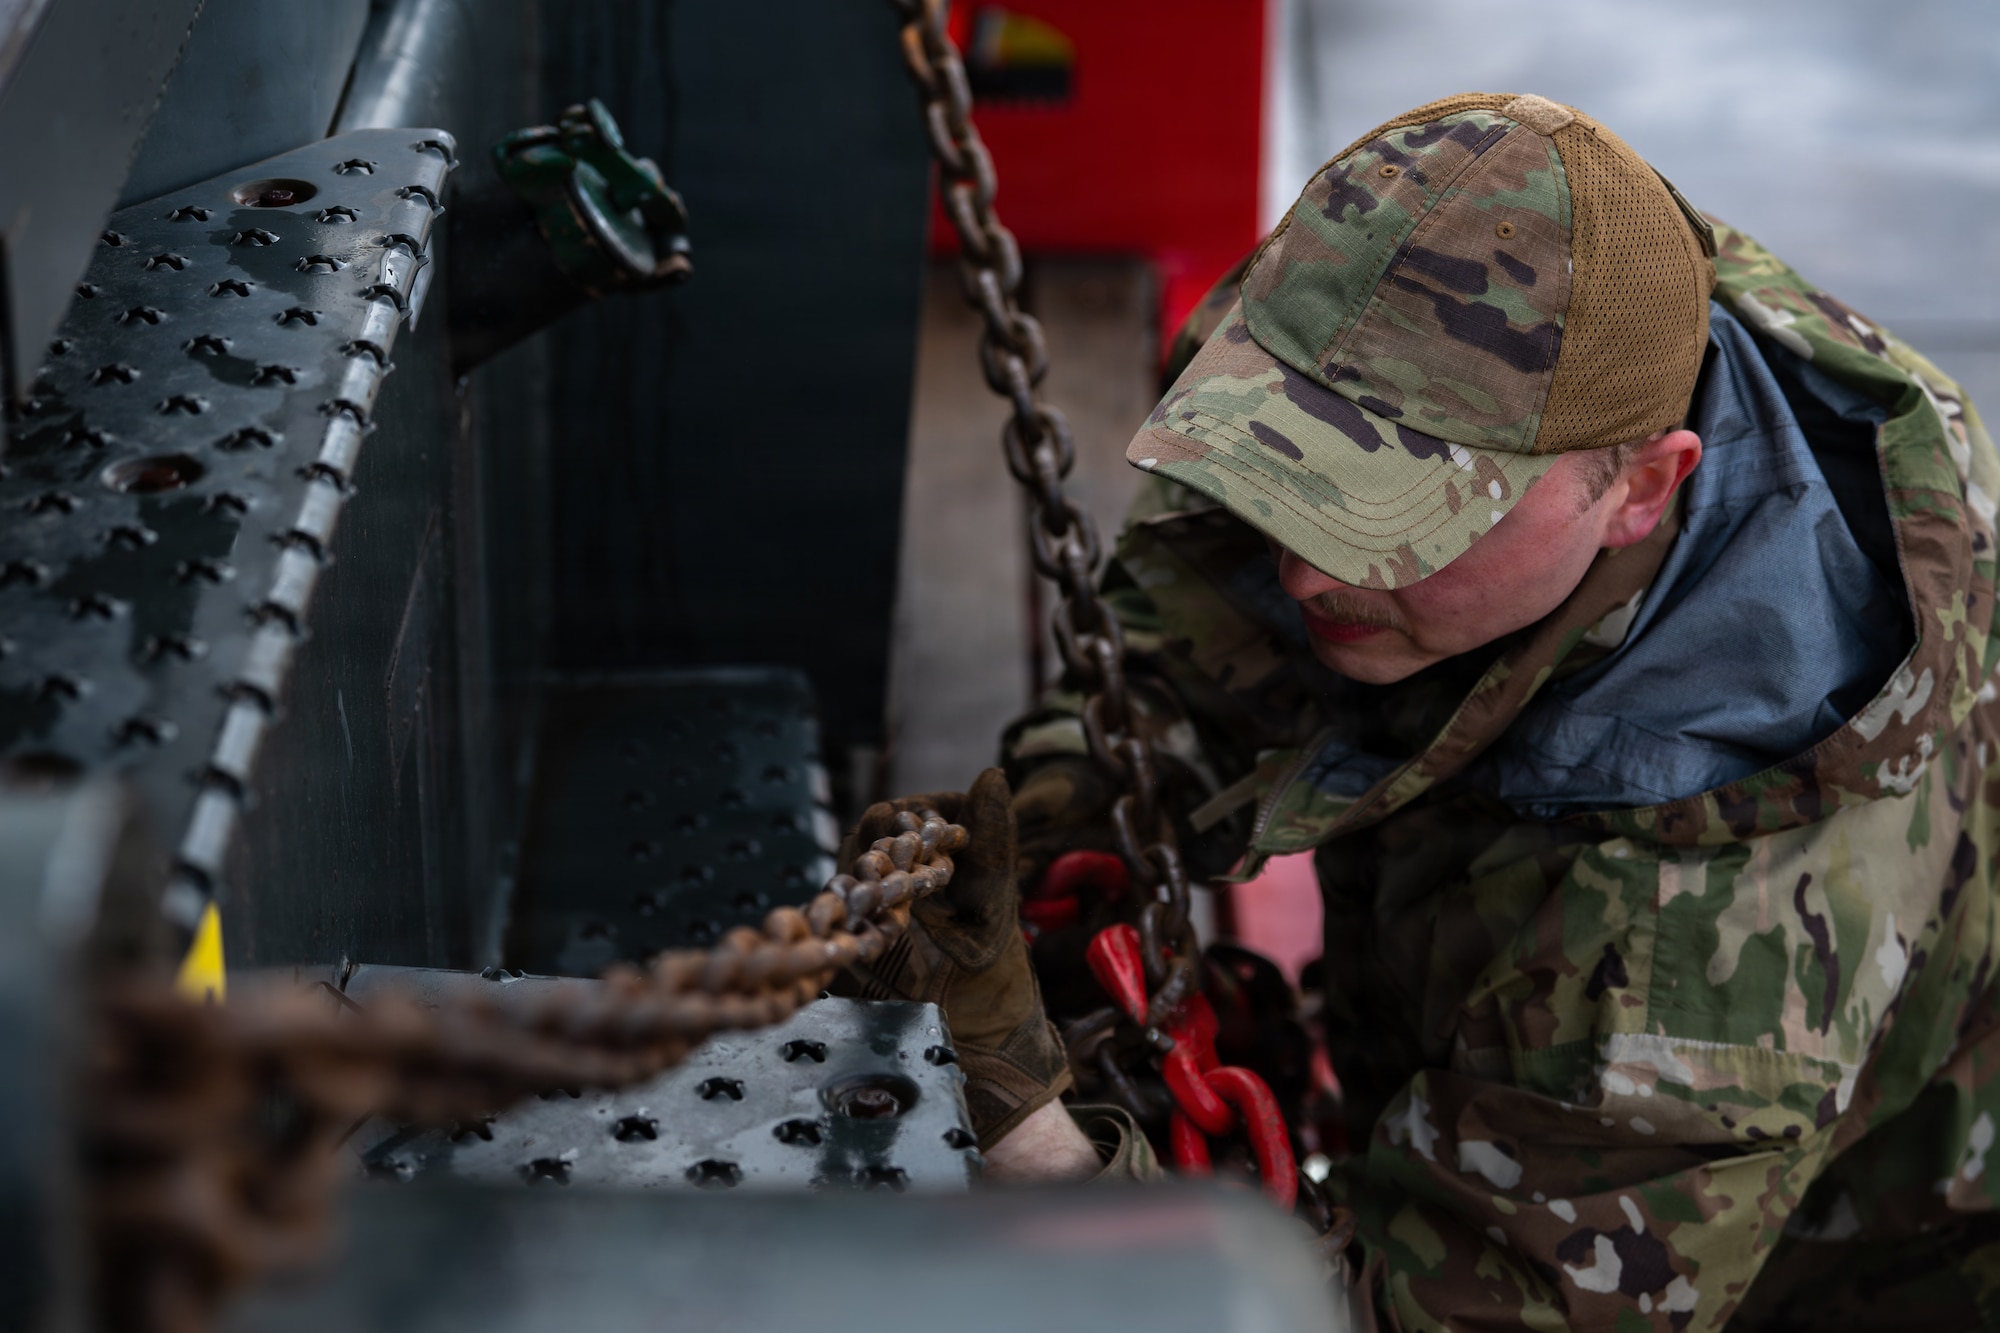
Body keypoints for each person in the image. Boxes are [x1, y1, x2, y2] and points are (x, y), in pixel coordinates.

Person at [846, 91, 2000, 1330]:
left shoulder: (1684, 990)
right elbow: (1190, 633)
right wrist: (1074, 815)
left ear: (1642, 487)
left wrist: (1026, 1126)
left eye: (1405, 520)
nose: (1306, 575)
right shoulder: (1458, 296)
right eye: (1302, 483)